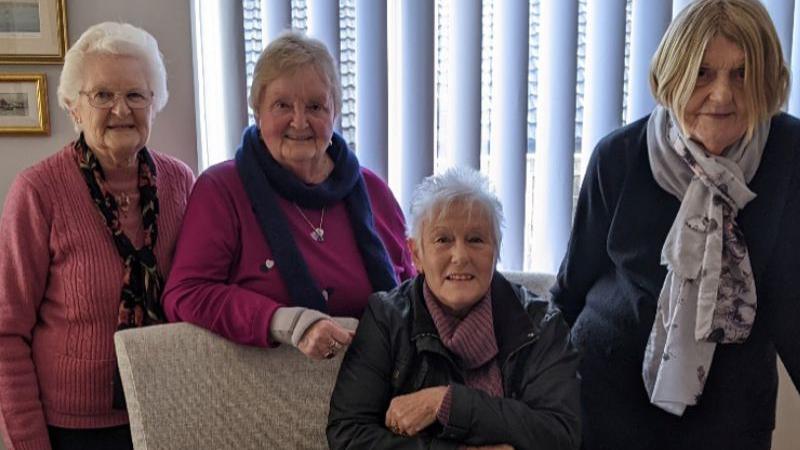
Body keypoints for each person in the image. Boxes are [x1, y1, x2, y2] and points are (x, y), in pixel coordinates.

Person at [552, 1, 800, 449]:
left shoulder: (789, 155)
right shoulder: (618, 157)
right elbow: (569, 293)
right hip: (607, 397)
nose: (722, 95)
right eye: (702, 73)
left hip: (734, 414)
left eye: (742, 74)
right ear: (673, 76)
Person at [0, 22, 194, 450]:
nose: (121, 110)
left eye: (135, 95)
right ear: (74, 107)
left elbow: (198, 292)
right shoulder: (38, 192)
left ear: (155, 103)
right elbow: (7, 332)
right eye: (103, 95)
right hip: (73, 430)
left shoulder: (180, 183)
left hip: (169, 408)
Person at [162, 31, 414, 360]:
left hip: (378, 387)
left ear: (334, 113)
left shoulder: (373, 190)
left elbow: (411, 292)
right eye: (282, 105)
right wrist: (288, 322)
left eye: (315, 106)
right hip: (268, 394)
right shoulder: (222, 189)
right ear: (257, 112)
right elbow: (185, 294)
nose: (299, 121)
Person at [327, 168, 581, 450]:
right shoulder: (386, 317)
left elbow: (561, 435)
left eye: (476, 240)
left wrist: (447, 402)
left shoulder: (542, 323)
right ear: (416, 254)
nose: (460, 257)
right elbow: (348, 434)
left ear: (495, 251)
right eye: (442, 240)